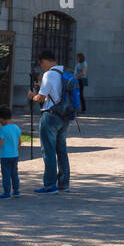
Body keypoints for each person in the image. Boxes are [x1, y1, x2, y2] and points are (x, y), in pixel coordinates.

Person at [28, 49, 70, 194]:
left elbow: (41, 98)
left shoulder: (49, 74)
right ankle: (64, 184)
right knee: (62, 151)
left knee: (49, 151)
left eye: (41, 64)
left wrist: (32, 96)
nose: (42, 67)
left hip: (50, 115)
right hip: (64, 115)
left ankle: (50, 185)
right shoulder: (64, 72)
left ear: (44, 61)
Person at [0, 105, 22, 199]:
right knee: (14, 173)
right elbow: (20, 141)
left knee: (6, 175)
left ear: (1, 119)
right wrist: (17, 151)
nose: (0, 123)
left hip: (5, 156)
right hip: (15, 155)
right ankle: (16, 191)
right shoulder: (16, 127)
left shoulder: (3, 129)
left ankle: (7, 192)